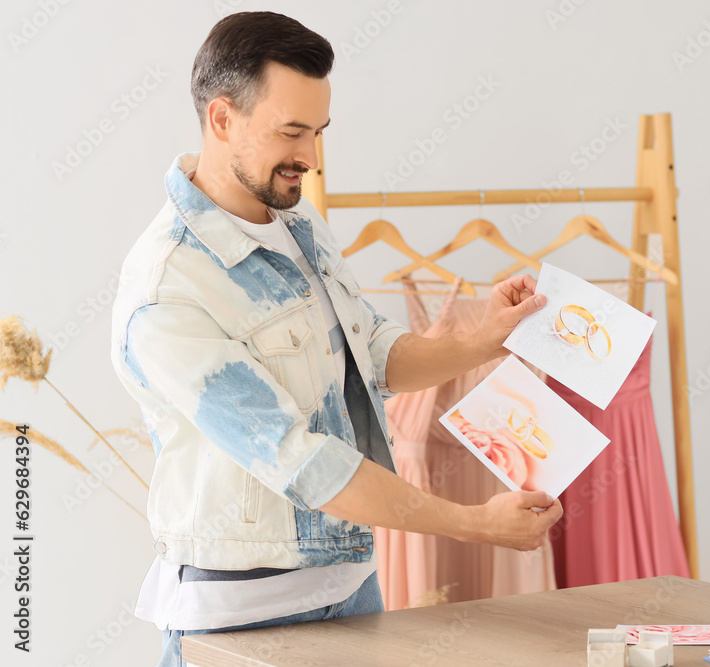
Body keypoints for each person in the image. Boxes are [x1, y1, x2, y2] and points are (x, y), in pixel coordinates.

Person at [108, 11, 562, 666]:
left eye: (318, 132)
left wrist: (484, 339)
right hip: (239, 620)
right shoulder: (166, 291)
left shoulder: (297, 225)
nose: (311, 160)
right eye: (292, 132)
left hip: (351, 594)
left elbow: (371, 352)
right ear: (222, 119)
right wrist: (474, 524)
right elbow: (301, 460)